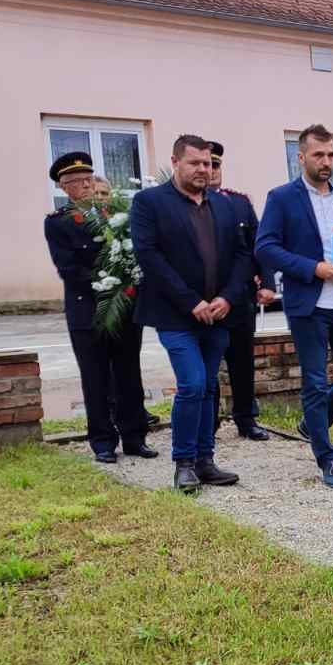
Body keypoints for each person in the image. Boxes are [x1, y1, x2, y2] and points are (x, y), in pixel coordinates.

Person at [129, 134, 252, 492]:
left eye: (208, 163)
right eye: (195, 162)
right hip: (175, 315)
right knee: (193, 383)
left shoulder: (226, 205)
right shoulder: (149, 202)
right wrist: (191, 302)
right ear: (176, 161)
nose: (203, 169)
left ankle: (205, 461)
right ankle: (183, 463)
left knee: (209, 385)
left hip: (218, 314)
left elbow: (244, 255)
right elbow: (149, 257)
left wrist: (228, 297)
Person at [255, 123, 333, 489]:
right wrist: (313, 268)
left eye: (332, 154)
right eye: (319, 154)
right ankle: (328, 458)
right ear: (300, 157)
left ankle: (312, 422)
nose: (327, 161)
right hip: (310, 303)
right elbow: (266, 247)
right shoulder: (282, 197)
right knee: (316, 383)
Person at [41, 150, 158, 465]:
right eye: (77, 182)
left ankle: (135, 437)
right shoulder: (58, 222)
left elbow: (134, 253)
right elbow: (68, 268)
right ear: (64, 188)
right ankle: (103, 442)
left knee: (129, 375)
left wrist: (127, 288)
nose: (86, 187)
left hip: (125, 308)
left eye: (89, 179)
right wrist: (107, 287)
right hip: (87, 310)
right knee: (95, 379)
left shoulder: (117, 215)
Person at [207, 141, 272, 441]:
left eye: (216, 164)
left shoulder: (239, 202)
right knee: (208, 366)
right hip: (207, 299)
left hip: (241, 296)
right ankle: (209, 421)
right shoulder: (186, 204)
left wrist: (267, 282)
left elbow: (257, 244)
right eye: (205, 164)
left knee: (242, 361)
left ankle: (246, 418)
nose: (211, 171)